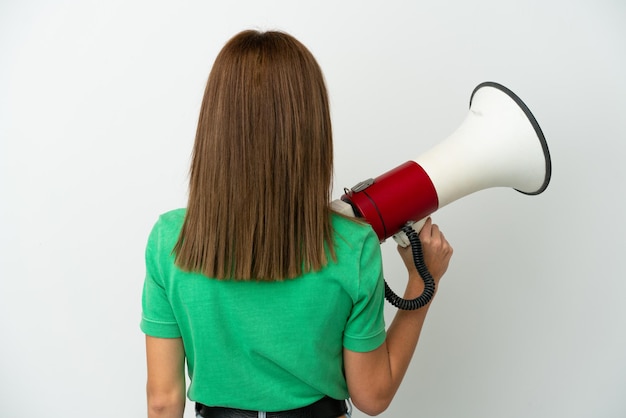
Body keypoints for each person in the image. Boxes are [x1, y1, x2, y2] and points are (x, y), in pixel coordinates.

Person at [140, 30, 453, 418]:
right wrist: (424, 283)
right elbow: (372, 397)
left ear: (215, 127)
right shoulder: (353, 247)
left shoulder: (169, 240)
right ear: (311, 130)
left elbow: (163, 401)